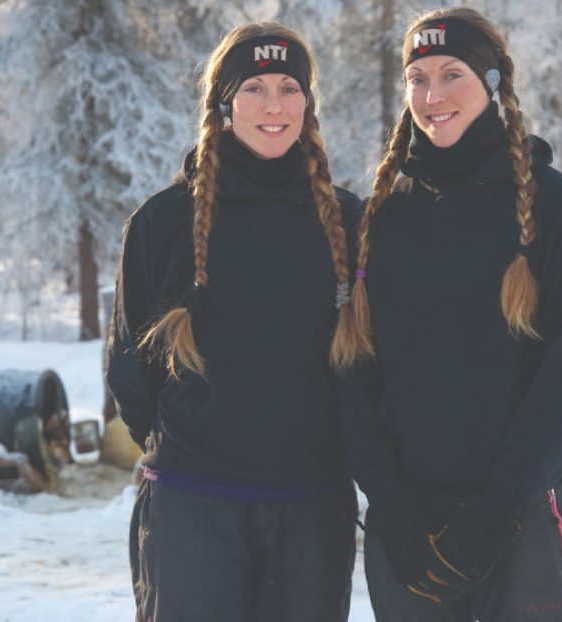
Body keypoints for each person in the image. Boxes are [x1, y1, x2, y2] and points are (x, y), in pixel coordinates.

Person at [340, 7, 562, 621]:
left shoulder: (557, 208)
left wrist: (496, 510)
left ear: (492, 83)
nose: (432, 96)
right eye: (417, 79)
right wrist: (389, 503)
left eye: (452, 74)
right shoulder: (379, 218)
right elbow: (353, 373)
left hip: (525, 513)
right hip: (409, 521)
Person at [104, 22, 362, 622]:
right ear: (223, 104)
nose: (274, 106)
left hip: (311, 508)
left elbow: (371, 362)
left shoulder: (349, 222)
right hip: (194, 505)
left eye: (289, 88)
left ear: (308, 103)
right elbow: (131, 370)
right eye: (253, 88)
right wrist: (194, 444)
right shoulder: (162, 222)